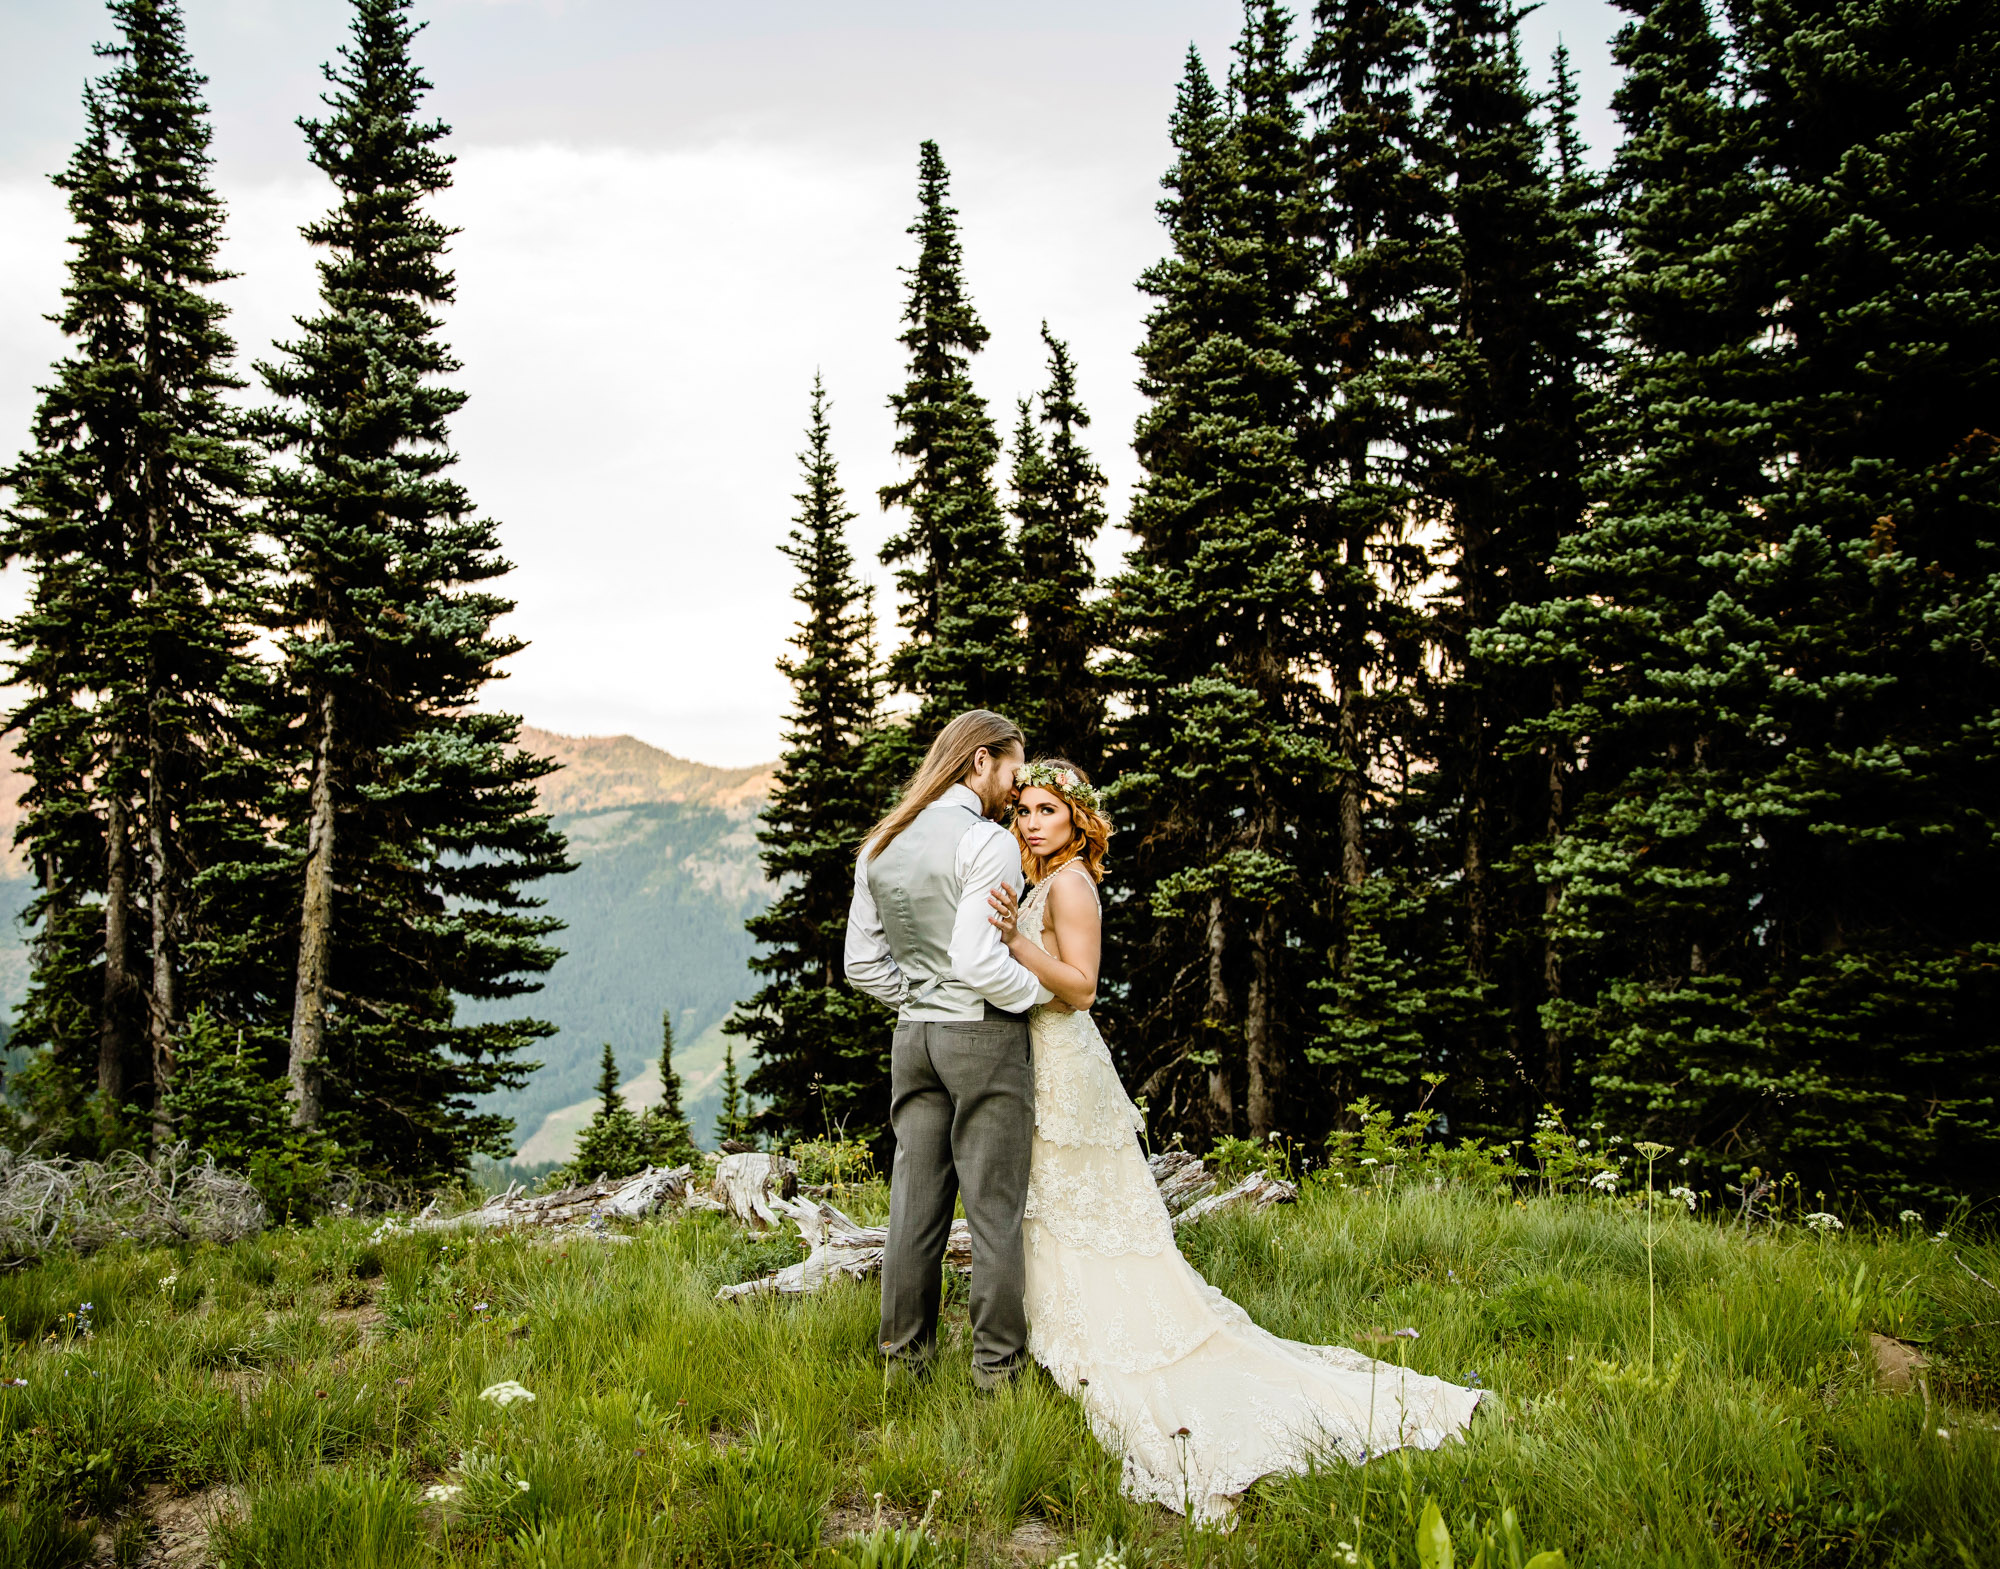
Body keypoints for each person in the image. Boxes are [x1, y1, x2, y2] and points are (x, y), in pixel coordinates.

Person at [988, 759, 1484, 1523]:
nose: (1029, 821)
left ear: (1078, 819)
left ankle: (1121, 1349)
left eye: (1046, 809)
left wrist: (1011, 944)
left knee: (1090, 1215)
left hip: (1067, 1068)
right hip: (1044, 1062)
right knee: (1058, 1212)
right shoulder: (1043, 881)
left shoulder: (1074, 883)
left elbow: (1082, 985)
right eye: (1023, 809)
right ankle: (1069, 1337)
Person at [843, 709, 1047, 1391]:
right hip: (982, 1036)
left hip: (915, 1038)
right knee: (994, 1212)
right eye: (1013, 774)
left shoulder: (883, 840)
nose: (1016, 794)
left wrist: (918, 995)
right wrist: (1040, 994)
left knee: (914, 1207)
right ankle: (997, 1374)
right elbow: (975, 958)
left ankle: (904, 1365)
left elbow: (861, 966)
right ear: (980, 760)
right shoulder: (984, 842)